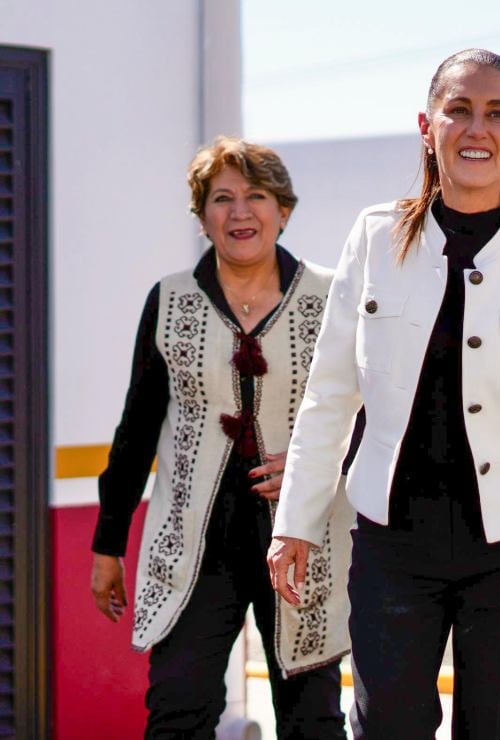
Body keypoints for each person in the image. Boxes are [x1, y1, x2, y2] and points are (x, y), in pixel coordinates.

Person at [267, 49, 500, 739]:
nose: (477, 129)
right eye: (459, 110)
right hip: (391, 545)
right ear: (427, 127)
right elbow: (329, 393)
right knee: (387, 727)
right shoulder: (374, 238)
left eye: (496, 114)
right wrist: (294, 520)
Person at [89, 136, 350, 739]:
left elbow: (367, 413)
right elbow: (136, 430)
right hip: (195, 543)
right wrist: (108, 544)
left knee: (312, 720)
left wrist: (322, 465)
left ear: (283, 211)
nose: (239, 212)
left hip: (301, 538)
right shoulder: (170, 300)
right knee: (177, 709)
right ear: (202, 217)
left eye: (256, 196)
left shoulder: (331, 296)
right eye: (221, 198)